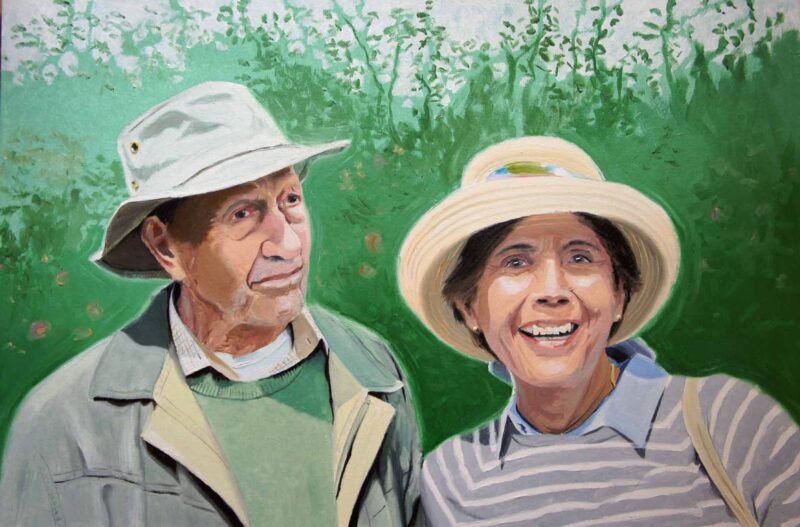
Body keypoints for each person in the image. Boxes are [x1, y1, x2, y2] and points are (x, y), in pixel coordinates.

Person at [0, 81, 421, 527]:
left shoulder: (372, 370)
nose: (288, 242)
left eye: (290, 201)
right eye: (243, 213)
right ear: (166, 247)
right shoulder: (69, 421)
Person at [397, 136, 799, 526]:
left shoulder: (726, 422)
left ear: (619, 293)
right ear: (469, 308)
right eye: (516, 262)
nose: (552, 291)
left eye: (579, 257)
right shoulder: (451, 479)